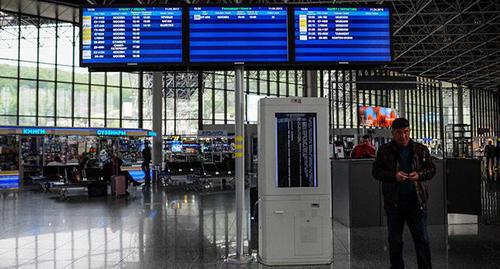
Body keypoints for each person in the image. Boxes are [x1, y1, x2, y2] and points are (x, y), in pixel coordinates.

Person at [372, 118, 436, 269]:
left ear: (410, 131)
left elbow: (432, 169)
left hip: (416, 202)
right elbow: (376, 172)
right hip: (394, 202)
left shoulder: (420, 149)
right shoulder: (384, 150)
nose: (403, 136)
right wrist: (394, 176)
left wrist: (419, 175)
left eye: (406, 132)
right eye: (399, 133)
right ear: (393, 133)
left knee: (421, 239)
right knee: (395, 240)